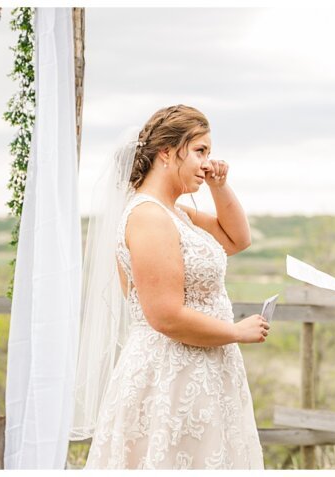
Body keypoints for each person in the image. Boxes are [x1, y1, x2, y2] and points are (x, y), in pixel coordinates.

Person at [77, 105, 268, 469]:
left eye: (208, 153)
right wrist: (235, 332)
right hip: (170, 374)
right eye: (200, 151)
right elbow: (164, 316)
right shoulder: (149, 216)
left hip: (203, 369)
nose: (207, 163)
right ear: (166, 152)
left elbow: (238, 239)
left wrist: (219, 186)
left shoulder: (176, 212)